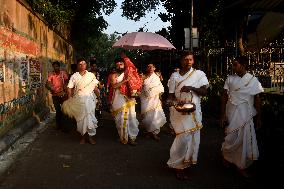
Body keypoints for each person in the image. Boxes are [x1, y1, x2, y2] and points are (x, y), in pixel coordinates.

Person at [166, 51, 209, 180]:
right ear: (181, 61)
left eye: (190, 59)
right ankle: (177, 165)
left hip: (193, 111)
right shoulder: (174, 76)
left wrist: (191, 88)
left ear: (193, 61)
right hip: (178, 111)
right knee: (182, 138)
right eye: (186, 59)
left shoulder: (199, 74)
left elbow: (204, 91)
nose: (188, 62)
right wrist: (169, 102)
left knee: (191, 138)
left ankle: (185, 163)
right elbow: (171, 95)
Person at [220, 56, 263, 178]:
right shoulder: (230, 78)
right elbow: (224, 96)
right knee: (230, 137)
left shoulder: (253, 80)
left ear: (243, 65)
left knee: (244, 140)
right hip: (231, 113)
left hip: (246, 115)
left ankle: (241, 165)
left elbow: (257, 100)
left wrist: (259, 117)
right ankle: (227, 157)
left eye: (235, 64)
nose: (233, 67)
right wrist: (222, 115)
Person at [62, 59, 100, 144]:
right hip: (78, 100)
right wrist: (69, 98)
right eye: (80, 64)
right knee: (80, 120)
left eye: (84, 64)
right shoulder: (74, 76)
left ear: (86, 65)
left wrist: (99, 98)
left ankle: (90, 137)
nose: (82, 65)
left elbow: (95, 88)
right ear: (77, 66)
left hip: (90, 99)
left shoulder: (91, 75)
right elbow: (69, 88)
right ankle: (82, 137)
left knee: (90, 119)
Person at [108, 58, 139, 145]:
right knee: (119, 119)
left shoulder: (129, 73)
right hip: (118, 98)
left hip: (129, 98)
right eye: (117, 65)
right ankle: (123, 137)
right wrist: (125, 80)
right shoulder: (113, 75)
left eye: (121, 64)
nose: (119, 66)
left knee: (132, 118)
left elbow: (136, 83)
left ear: (124, 64)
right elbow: (114, 86)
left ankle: (132, 138)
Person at [140, 64, 167, 140]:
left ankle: (155, 133)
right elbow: (140, 86)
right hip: (145, 99)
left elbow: (160, 88)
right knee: (147, 116)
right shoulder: (143, 76)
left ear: (154, 68)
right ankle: (149, 131)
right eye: (148, 66)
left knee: (155, 115)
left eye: (151, 67)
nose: (150, 68)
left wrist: (160, 99)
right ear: (146, 68)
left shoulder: (157, 76)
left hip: (155, 99)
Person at [45, 61, 69, 130]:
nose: (55, 68)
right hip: (55, 95)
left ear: (59, 67)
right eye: (54, 66)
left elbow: (67, 82)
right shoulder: (51, 74)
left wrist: (65, 90)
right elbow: (48, 83)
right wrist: (50, 87)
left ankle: (65, 126)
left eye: (57, 66)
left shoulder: (63, 73)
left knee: (65, 110)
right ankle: (58, 125)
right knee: (58, 110)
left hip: (63, 94)